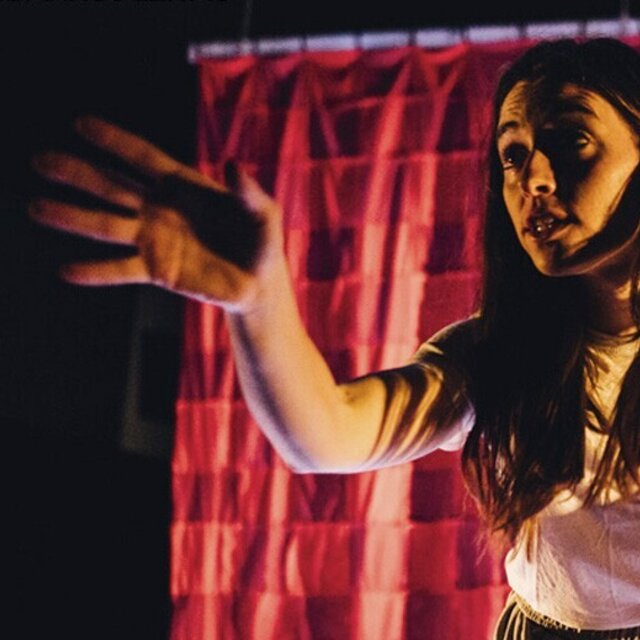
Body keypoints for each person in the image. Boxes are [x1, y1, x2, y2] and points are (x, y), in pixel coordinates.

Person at [29, 37, 640, 639]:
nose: (533, 178)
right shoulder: (496, 355)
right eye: (512, 154)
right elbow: (328, 432)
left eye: (571, 139)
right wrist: (259, 301)